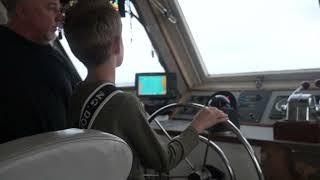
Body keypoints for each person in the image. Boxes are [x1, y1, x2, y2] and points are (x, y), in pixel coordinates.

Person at [64, 1, 228, 179]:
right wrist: (198, 125)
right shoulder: (124, 103)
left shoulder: (76, 95)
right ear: (117, 45)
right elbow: (164, 161)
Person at [0, 0, 81, 144]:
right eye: (51, 8)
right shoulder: (7, 53)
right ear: (22, 12)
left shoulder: (49, 53)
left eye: (59, 9)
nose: (60, 16)